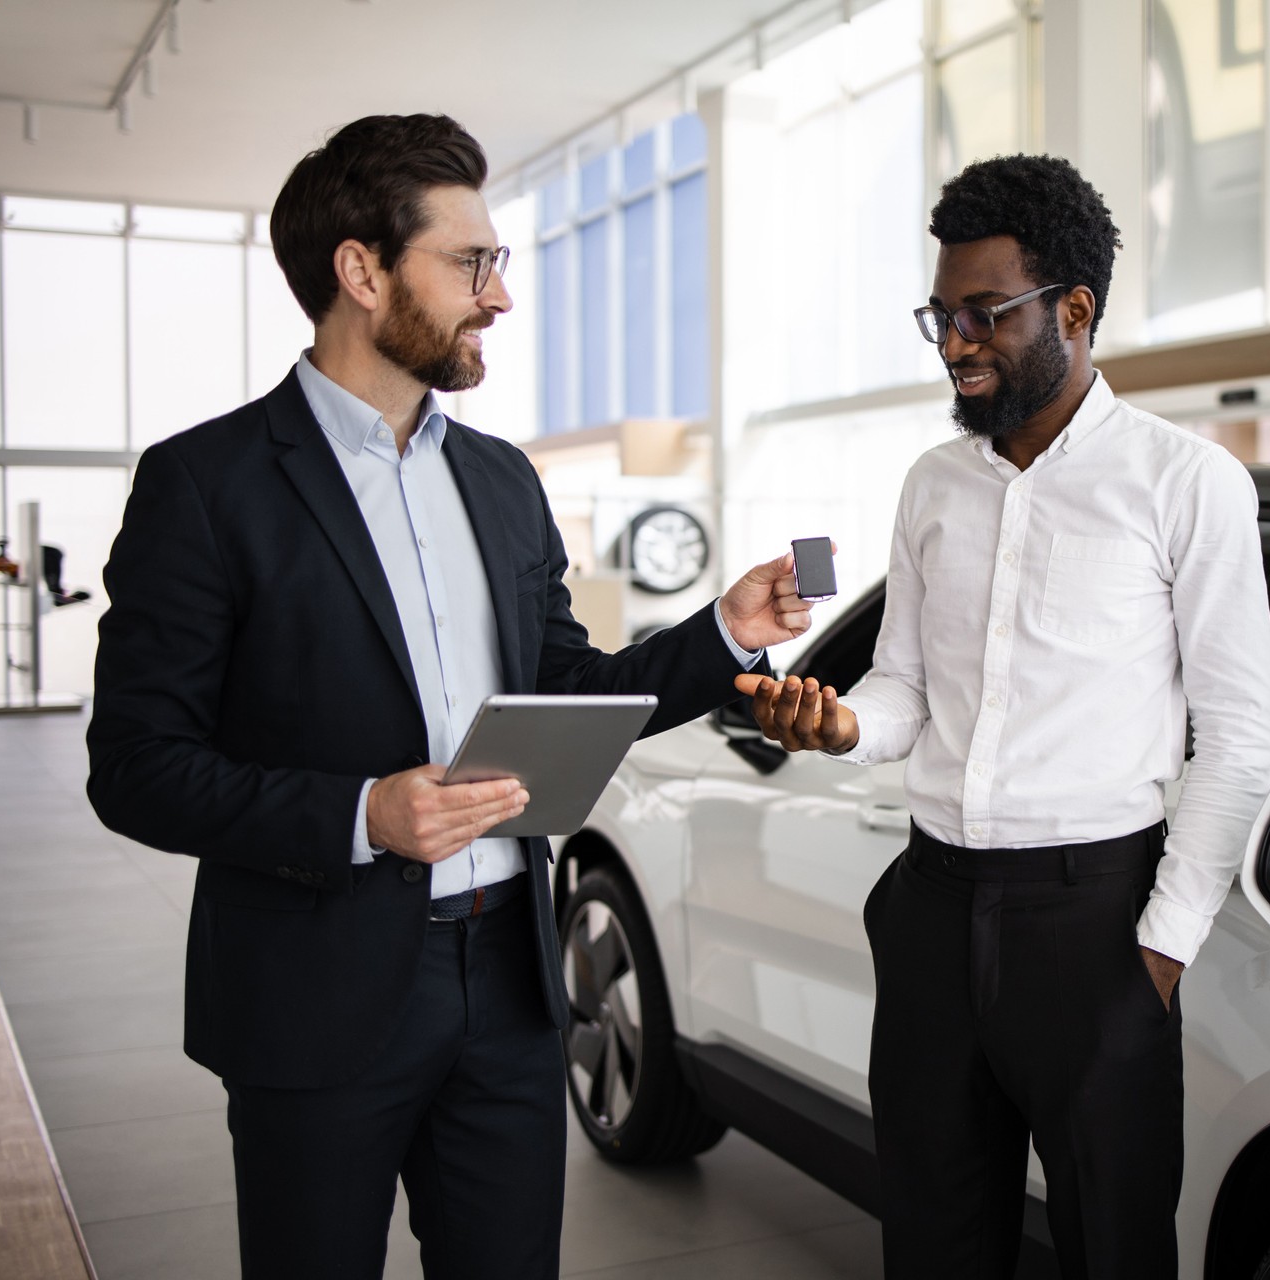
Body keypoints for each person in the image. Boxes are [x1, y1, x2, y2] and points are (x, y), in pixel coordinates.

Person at [86, 114, 813, 1280]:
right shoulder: (206, 485)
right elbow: (131, 763)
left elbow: (569, 689)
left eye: (500, 262)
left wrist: (725, 632)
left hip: (510, 986)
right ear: (362, 271)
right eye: (471, 263)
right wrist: (361, 812)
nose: (500, 296)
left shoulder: (500, 477)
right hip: (315, 997)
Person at [735, 154, 1270, 1277]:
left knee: (1112, 1252)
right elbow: (906, 690)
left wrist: (1159, 954)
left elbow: (1237, 739)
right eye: (941, 314)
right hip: (933, 913)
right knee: (934, 1246)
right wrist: (840, 726)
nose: (955, 342)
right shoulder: (934, 483)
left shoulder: (1188, 483)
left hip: (1095, 930)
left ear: (1074, 310)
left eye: (985, 313)